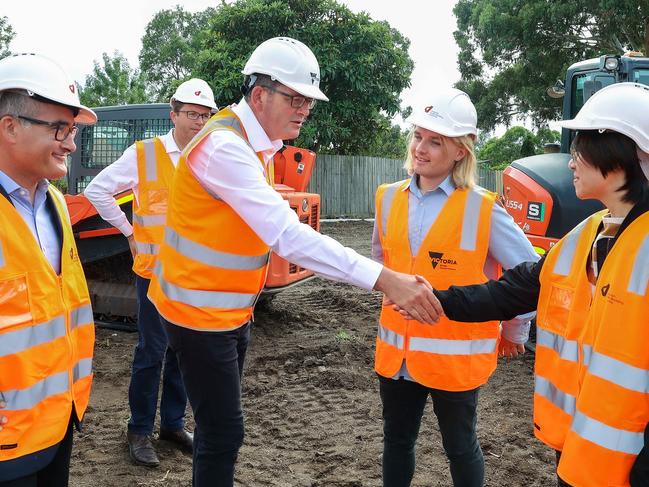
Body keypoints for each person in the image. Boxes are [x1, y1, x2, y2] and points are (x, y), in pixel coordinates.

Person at [145, 36, 442, 487]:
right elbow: (286, 236)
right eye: (295, 98)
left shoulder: (249, 141)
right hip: (199, 316)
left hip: (226, 312)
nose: (304, 109)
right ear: (259, 94)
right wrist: (385, 279)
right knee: (224, 434)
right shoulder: (226, 147)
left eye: (309, 101)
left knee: (217, 430)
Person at [431, 82, 649, 487]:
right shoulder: (586, 236)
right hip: (582, 454)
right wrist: (432, 299)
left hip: (632, 466)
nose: (570, 162)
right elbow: (509, 292)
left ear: (619, 155)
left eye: (580, 147)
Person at [372, 88, 539, 487]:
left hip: (455, 357)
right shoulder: (386, 198)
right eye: (417, 136)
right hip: (397, 354)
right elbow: (380, 264)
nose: (420, 149)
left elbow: (531, 276)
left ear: (461, 151)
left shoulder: (483, 208)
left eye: (435, 141)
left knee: (460, 446)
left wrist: (515, 330)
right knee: (396, 440)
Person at [84, 79, 217, 467]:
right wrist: (128, 233)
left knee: (183, 352)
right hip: (155, 273)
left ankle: (173, 425)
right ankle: (139, 429)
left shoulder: (209, 157)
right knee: (152, 352)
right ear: (173, 114)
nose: (198, 121)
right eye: (191, 114)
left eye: (205, 116)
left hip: (192, 275)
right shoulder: (144, 154)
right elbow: (98, 190)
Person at [0, 53, 96, 486]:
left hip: (58, 422)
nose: (71, 144)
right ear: (10, 126)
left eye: (72, 130)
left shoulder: (56, 204)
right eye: (59, 129)